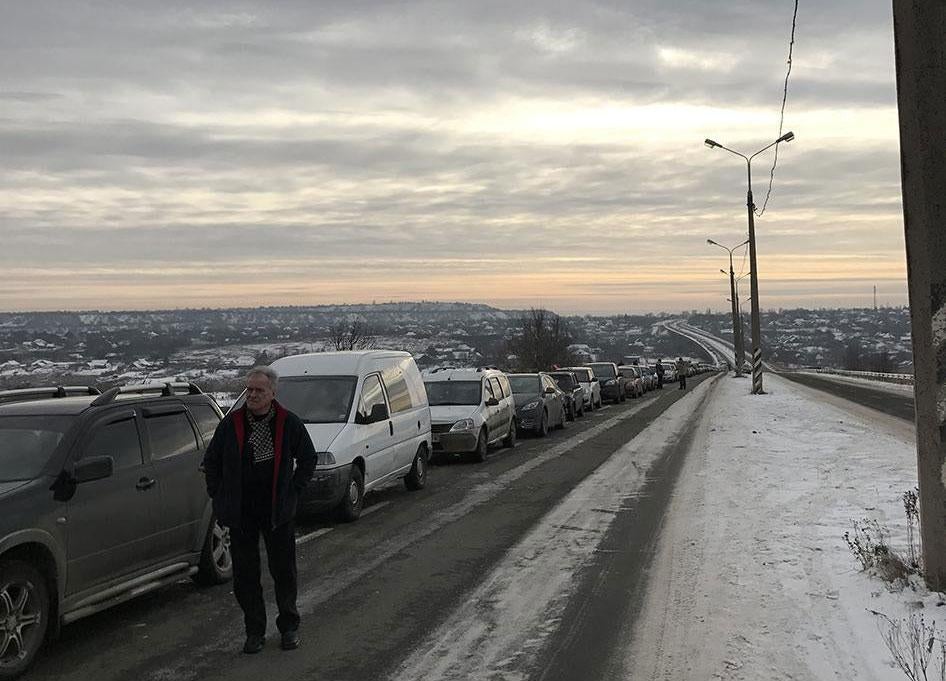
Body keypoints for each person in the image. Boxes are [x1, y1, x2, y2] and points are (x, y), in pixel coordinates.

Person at [203, 365, 316, 654]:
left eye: (259, 390)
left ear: (272, 393)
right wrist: (217, 494)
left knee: (283, 572)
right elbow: (212, 461)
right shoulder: (231, 424)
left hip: (277, 512)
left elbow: (308, 458)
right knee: (245, 576)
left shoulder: (289, 423)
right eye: (249, 390)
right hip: (242, 514)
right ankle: (254, 632)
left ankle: (289, 627)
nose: (252, 395)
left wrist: (294, 491)